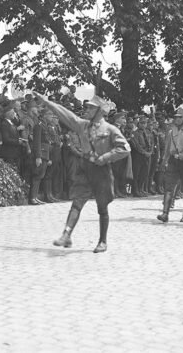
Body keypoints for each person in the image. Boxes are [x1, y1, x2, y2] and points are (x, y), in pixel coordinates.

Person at [35, 93, 130, 253]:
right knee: (77, 202)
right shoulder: (82, 125)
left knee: (102, 207)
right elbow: (66, 114)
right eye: (87, 107)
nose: (87, 110)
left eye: (91, 108)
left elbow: (125, 148)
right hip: (84, 168)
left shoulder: (110, 129)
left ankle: (102, 241)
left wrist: (106, 157)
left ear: (99, 111)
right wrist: (48, 103)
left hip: (101, 171)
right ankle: (66, 235)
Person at [130, 116, 154, 198]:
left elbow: (152, 143)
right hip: (138, 155)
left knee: (144, 173)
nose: (143, 125)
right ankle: (135, 190)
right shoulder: (134, 133)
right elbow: (136, 145)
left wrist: (150, 152)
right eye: (142, 123)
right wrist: (144, 152)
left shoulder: (149, 133)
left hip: (148, 155)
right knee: (137, 173)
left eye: (145, 123)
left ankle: (140, 189)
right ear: (138, 124)